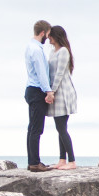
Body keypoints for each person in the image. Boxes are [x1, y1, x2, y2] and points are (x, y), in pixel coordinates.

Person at [24, 20, 55, 172]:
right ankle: (35, 162)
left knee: (32, 128)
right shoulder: (36, 50)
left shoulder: (31, 47)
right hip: (37, 90)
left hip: (31, 89)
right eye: (47, 34)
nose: (48, 38)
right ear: (42, 33)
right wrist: (48, 91)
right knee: (36, 128)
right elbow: (41, 73)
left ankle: (32, 161)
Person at [46, 25, 78, 170]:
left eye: (50, 35)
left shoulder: (64, 51)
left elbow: (59, 74)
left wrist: (52, 91)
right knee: (60, 128)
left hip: (63, 92)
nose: (48, 38)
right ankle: (62, 159)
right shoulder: (53, 52)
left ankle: (72, 161)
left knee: (61, 128)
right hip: (56, 92)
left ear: (56, 36)